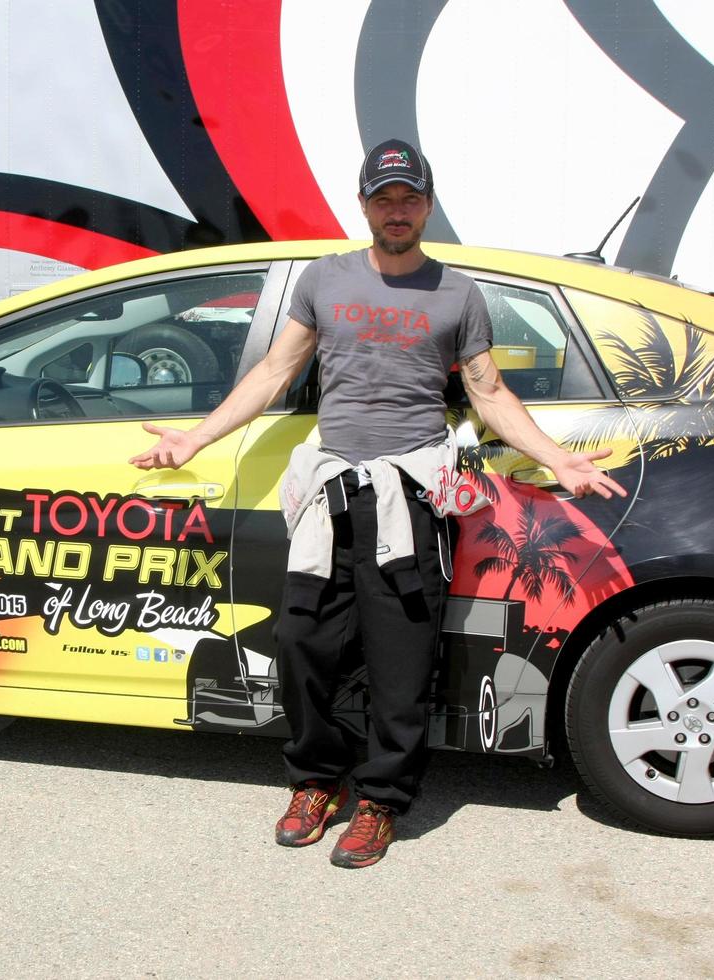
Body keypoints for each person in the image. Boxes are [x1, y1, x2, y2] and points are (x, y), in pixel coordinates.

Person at [130, 138, 625, 868]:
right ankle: (315, 781)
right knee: (304, 646)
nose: (398, 210)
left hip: (409, 498)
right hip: (330, 495)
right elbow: (274, 370)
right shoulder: (323, 281)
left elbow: (488, 392)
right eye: (384, 198)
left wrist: (557, 458)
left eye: (410, 198)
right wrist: (195, 440)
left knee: (401, 663)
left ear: (427, 204)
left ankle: (382, 803)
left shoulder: (457, 294)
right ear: (364, 204)